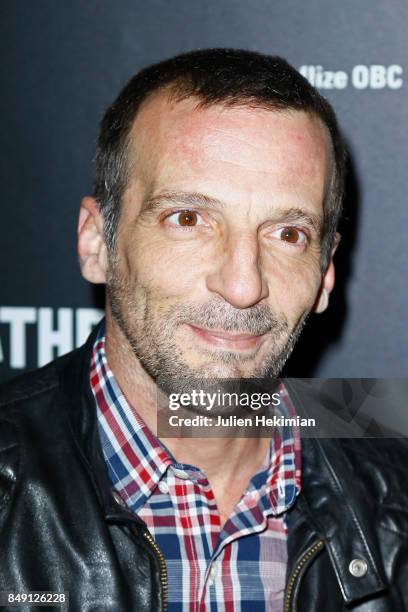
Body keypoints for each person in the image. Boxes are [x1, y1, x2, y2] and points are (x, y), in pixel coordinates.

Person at [0, 49, 407, 612]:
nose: (242, 285)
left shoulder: (396, 495)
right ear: (98, 243)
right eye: (188, 219)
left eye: (287, 233)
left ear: (325, 274)